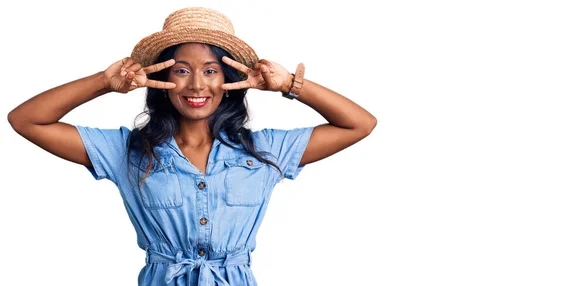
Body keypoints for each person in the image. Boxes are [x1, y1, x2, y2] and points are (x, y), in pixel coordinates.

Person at [7, 7, 376, 286]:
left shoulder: (264, 152)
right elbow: (26, 120)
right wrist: (105, 82)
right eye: (182, 70)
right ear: (163, 78)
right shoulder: (128, 151)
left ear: (228, 80)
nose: (197, 85)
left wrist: (290, 85)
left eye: (211, 71)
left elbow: (360, 123)